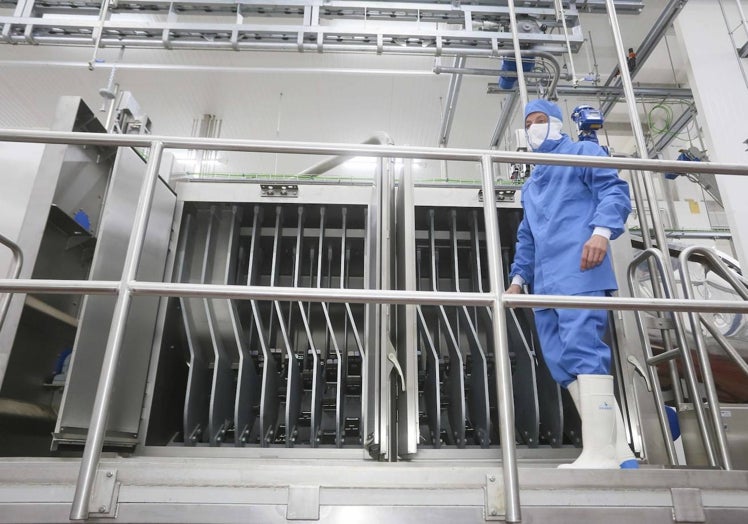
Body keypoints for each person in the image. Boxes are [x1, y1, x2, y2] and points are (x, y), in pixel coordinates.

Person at [506, 99, 637, 469]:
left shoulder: (582, 151)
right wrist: (518, 280)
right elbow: (527, 236)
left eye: (541, 120)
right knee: (560, 361)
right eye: (529, 122)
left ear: (558, 124)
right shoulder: (531, 185)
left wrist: (601, 232)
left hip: (580, 267)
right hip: (545, 284)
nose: (534, 127)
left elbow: (614, 191)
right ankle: (619, 448)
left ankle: (598, 454)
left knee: (583, 351)